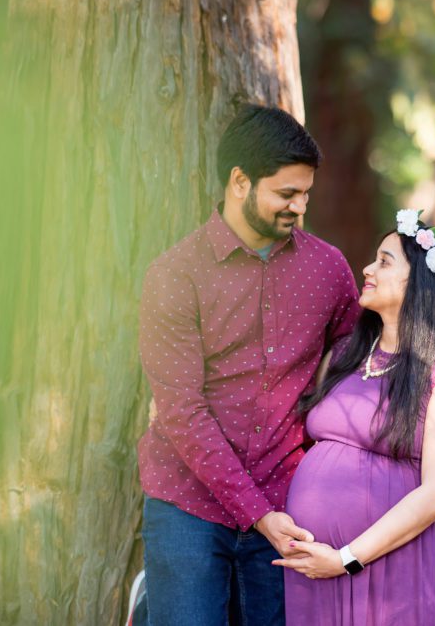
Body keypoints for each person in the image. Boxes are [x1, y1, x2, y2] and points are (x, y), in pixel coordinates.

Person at [132, 103, 360, 625]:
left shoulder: (328, 270)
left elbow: (356, 368)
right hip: (187, 503)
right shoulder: (174, 276)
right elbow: (182, 412)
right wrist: (257, 515)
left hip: (291, 501)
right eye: (286, 194)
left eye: (306, 194)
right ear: (239, 182)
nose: (299, 207)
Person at [275, 210, 435, 625]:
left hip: (396, 564)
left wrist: (346, 558)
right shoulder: (348, 352)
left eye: (384, 261)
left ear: (419, 281)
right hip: (314, 570)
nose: (366, 269)